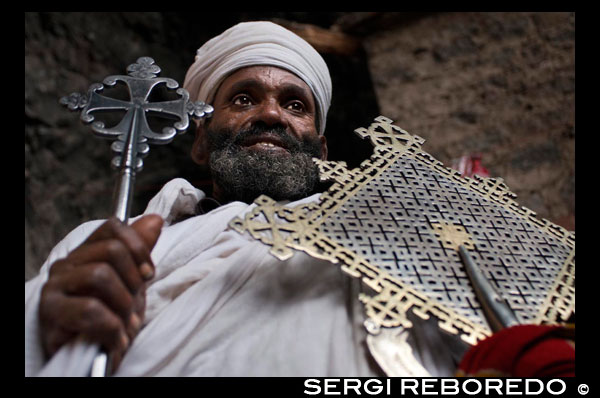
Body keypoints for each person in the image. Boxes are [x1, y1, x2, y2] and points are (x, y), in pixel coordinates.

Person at [25, 21, 573, 378]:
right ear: (199, 138)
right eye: (243, 98)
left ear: (321, 145)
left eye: (294, 104)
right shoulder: (106, 240)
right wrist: (44, 320)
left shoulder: (392, 233)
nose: (270, 115)